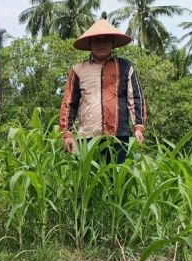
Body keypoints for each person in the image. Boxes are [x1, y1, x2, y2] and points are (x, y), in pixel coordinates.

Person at [59, 19, 147, 163]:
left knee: (118, 178)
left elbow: (135, 98)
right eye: (96, 41)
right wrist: (67, 134)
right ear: (90, 44)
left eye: (105, 40)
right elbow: (69, 104)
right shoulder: (78, 70)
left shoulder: (125, 67)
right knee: (90, 180)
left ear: (112, 43)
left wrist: (138, 128)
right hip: (88, 136)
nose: (101, 44)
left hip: (119, 136)